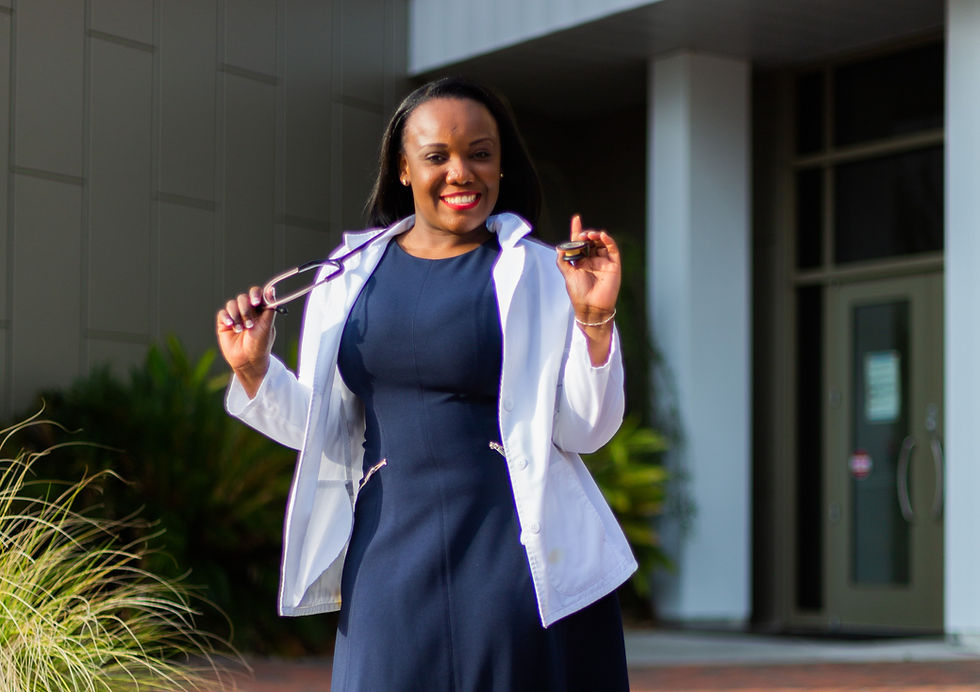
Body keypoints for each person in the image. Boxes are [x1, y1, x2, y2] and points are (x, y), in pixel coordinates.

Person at [216, 76, 636, 691]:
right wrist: (254, 370)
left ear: (501, 165)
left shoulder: (543, 272)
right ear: (404, 169)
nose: (461, 172)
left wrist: (594, 320)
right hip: (387, 559)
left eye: (481, 154)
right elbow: (325, 430)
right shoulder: (347, 278)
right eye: (437, 156)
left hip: (514, 564)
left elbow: (586, 431)